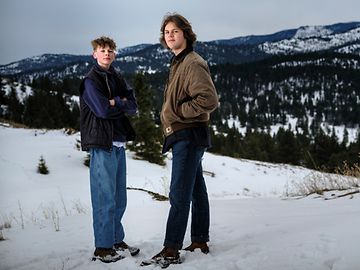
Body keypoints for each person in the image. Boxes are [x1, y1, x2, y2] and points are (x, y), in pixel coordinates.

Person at [143, 13, 219, 267]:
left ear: (185, 33)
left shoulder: (193, 63)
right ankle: (199, 240)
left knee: (178, 193)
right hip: (184, 135)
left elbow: (209, 100)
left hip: (189, 134)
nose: (170, 35)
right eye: (167, 32)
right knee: (196, 190)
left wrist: (177, 113)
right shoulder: (178, 62)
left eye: (175, 30)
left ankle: (171, 248)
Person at [79, 36, 140, 263]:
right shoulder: (90, 80)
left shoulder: (116, 76)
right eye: (102, 50)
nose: (107, 53)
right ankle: (103, 247)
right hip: (102, 143)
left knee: (119, 197)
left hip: (119, 142)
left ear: (115, 53)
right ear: (94, 53)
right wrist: (117, 102)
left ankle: (116, 240)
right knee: (104, 196)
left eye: (110, 50)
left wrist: (117, 102)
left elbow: (133, 106)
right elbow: (103, 111)